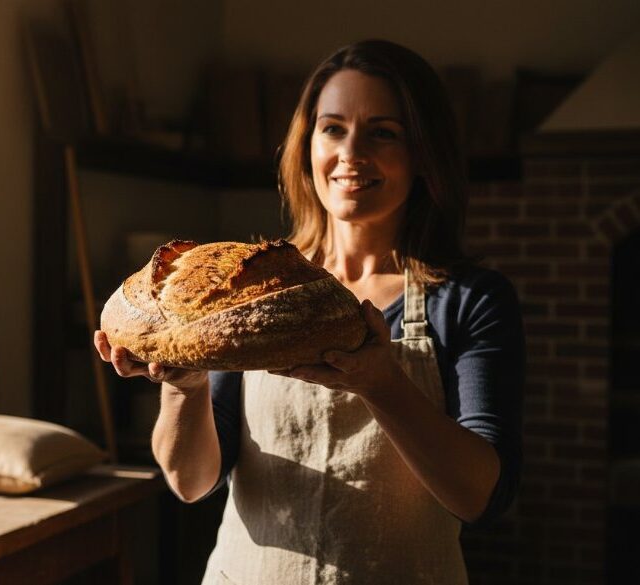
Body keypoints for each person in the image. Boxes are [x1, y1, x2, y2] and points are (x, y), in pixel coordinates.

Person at [94, 39, 524, 585]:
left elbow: (481, 497)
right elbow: (190, 481)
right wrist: (186, 386)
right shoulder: (253, 297)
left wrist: (383, 384)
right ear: (307, 145)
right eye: (333, 127)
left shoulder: (470, 299)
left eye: (383, 132)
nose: (351, 153)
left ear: (423, 152)